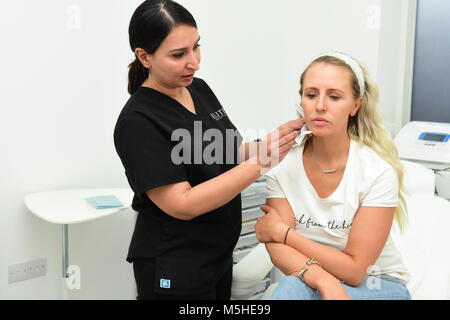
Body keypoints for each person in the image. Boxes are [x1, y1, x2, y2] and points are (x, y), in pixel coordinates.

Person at [113, 0, 303, 300]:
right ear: (144, 57)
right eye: (179, 54)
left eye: (196, 47)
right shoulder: (138, 121)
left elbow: (226, 150)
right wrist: (261, 164)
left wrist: (268, 144)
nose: (195, 62)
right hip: (175, 266)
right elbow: (183, 204)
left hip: (217, 256)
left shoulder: (197, 88)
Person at [254, 52, 412, 300]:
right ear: (301, 101)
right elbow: (277, 248)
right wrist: (324, 280)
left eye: (335, 96)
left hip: (377, 283)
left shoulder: (376, 171)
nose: (320, 106)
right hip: (311, 277)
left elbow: (355, 270)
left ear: (355, 105)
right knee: (289, 288)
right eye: (311, 94)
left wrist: (285, 233)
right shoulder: (283, 165)